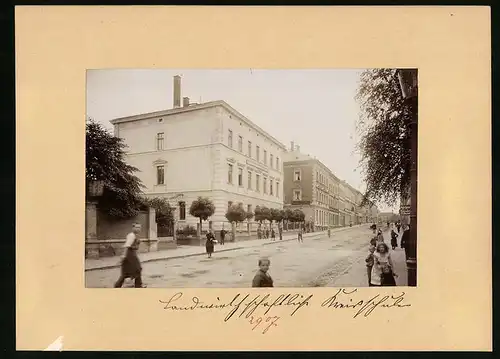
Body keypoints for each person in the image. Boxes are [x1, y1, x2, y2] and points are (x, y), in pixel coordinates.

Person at [114, 223, 146, 288]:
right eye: (136, 227)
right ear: (133, 228)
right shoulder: (131, 235)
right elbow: (127, 246)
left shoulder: (135, 235)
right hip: (129, 254)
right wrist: (124, 255)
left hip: (132, 253)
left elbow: (135, 244)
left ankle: (117, 285)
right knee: (138, 268)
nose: (138, 229)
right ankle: (138, 285)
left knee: (126, 271)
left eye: (139, 227)